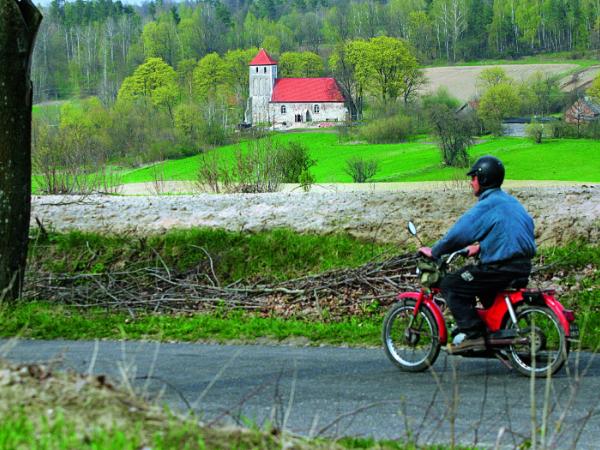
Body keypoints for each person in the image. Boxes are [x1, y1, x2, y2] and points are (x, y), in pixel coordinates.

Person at [418, 155, 536, 354]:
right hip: (521, 266)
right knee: (481, 288)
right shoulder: (510, 202)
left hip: (500, 268)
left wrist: (435, 251)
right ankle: (493, 335)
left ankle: (474, 335)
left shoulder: (487, 205)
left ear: (483, 179)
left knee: (451, 285)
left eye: (473, 177)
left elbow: (458, 234)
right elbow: (510, 232)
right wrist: (481, 247)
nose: (471, 182)